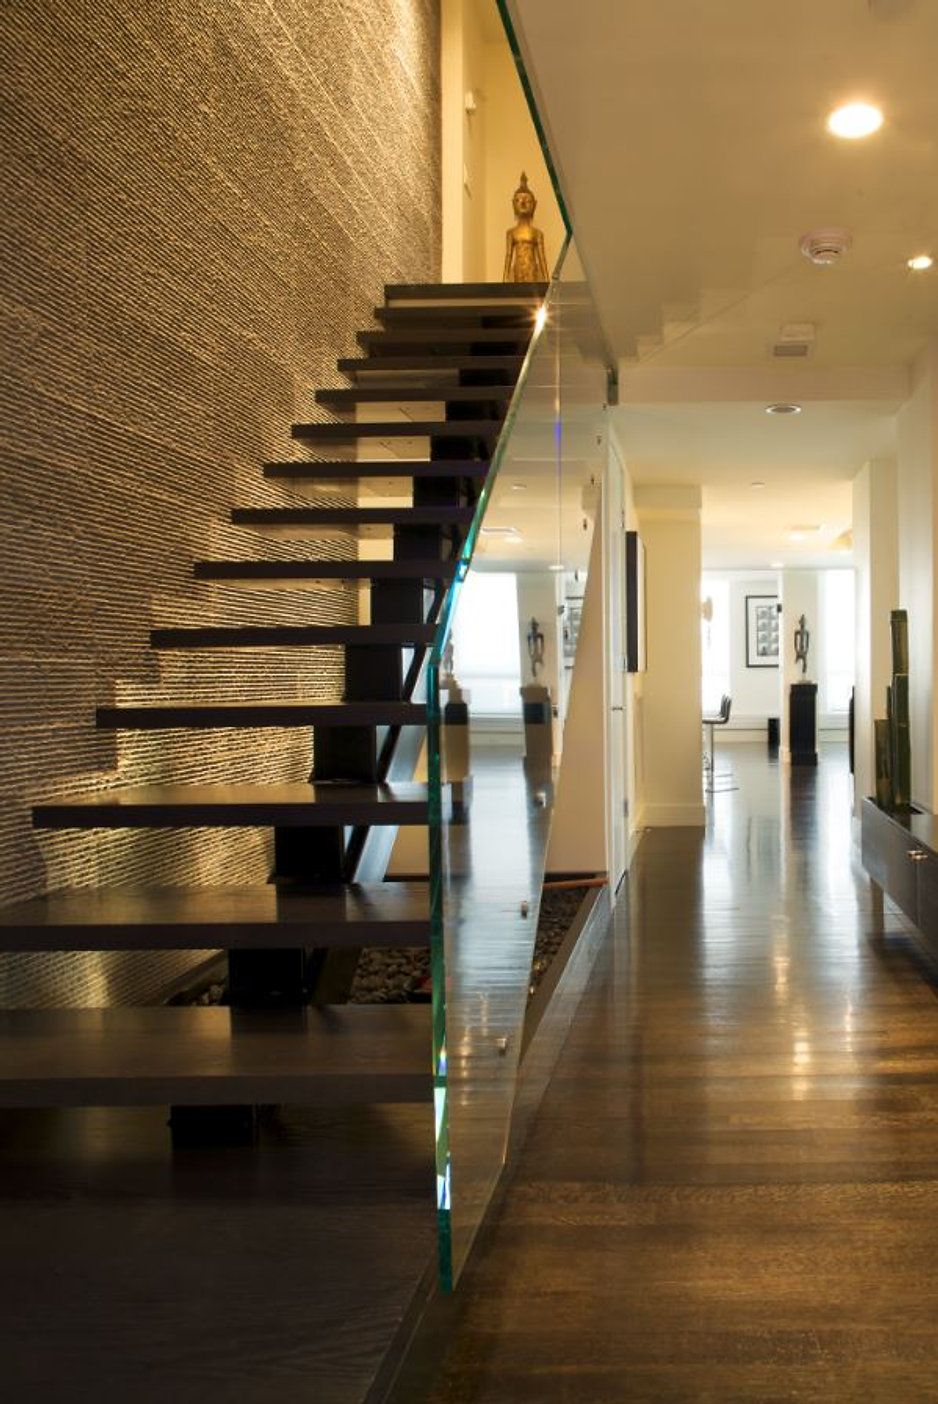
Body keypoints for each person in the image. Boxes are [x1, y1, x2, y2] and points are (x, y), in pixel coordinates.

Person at [503, 172, 549, 283]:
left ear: (534, 204)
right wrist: (504, 281)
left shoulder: (537, 233)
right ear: (513, 204)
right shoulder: (511, 233)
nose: (523, 203)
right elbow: (508, 256)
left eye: (527, 201)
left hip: (532, 272)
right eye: (519, 200)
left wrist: (547, 281)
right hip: (518, 273)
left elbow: (542, 258)